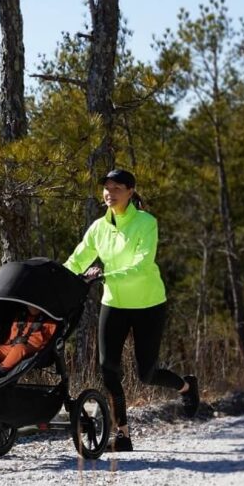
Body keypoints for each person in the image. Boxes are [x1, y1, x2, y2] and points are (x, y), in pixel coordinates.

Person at [64, 169, 199, 452]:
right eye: (106, 188)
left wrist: (105, 275)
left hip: (148, 304)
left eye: (116, 188)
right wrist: (57, 278)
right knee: (108, 369)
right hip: (114, 303)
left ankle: (186, 387)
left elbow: (142, 262)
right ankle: (122, 435)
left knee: (146, 374)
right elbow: (77, 260)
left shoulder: (146, 223)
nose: (109, 193)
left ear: (130, 191)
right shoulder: (99, 227)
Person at [0, 304, 56, 380]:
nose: (30, 307)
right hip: (10, 347)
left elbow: (46, 342)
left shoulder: (49, 321)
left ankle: (0, 371)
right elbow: (12, 334)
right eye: (29, 305)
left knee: (20, 347)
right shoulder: (20, 316)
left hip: (28, 351)